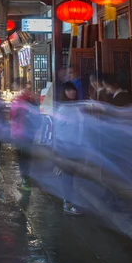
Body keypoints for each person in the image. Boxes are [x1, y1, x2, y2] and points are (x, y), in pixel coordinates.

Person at [55, 81, 85, 215]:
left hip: (76, 146)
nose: (71, 92)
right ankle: (68, 203)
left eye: (72, 90)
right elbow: (58, 130)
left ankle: (69, 201)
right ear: (64, 93)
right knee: (68, 177)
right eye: (68, 90)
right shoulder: (63, 109)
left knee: (70, 175)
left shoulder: (76, 107)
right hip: (66, 146)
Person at [10, 83, 39, 190]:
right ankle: (26, 176)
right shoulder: (32, 101)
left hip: (19, 133)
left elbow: (12, 116)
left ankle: (25, 179)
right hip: (29, 133)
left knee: (22, 156)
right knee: (27, 154)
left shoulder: (18, 102)